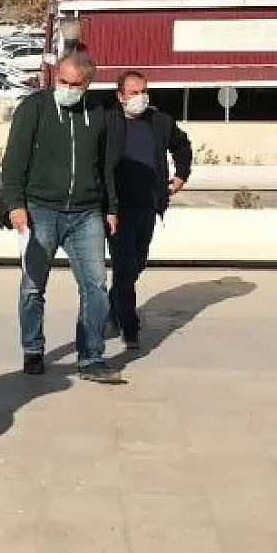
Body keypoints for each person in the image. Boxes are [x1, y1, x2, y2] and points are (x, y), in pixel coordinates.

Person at [0, 51, 121, 383]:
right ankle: (33, 349)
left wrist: (110, 207)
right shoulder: (34, 108)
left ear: (88, 84)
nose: (66, 88)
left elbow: (105, 165)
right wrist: (15, 204)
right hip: (41, 210)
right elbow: (14, 161)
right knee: (33, 286)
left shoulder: (98, 113)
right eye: (62, 81)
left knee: (96, 286)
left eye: (74, 84)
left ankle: (91, 357)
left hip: (86, 212)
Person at [104, 70, 193, 349]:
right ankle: (128, 326)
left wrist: (181, 175)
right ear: (120, 96)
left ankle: (113, 306)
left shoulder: (159, 121)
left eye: (144, 91)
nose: (140, 97)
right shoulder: (107, 122)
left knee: (137, 263)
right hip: (118, 208)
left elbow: (182, 145)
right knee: (124, 266)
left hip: (148, 205)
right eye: (134, 93)